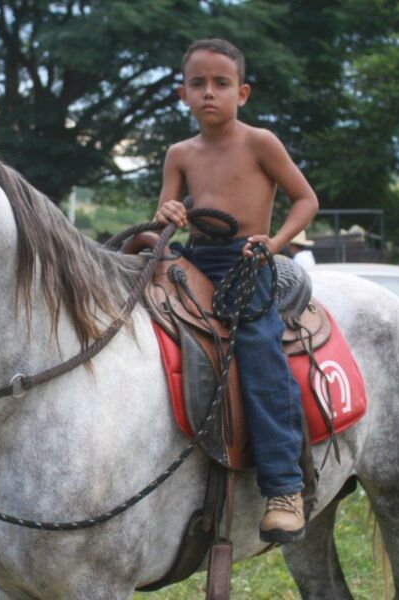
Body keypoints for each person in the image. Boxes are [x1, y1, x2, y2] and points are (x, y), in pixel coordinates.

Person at [154, 38, 319, 543]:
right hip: (193, 257)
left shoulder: (260, 142)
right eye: (198, 84)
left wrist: (274, 242)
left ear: (241, 93)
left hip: (249, 260)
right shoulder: (179, 153)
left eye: (220, 84)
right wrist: (168, 214)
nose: (209, 93)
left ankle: (284, 486)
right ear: (183, 94)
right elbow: (166, 208)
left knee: (256, 346)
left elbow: (305, 200)